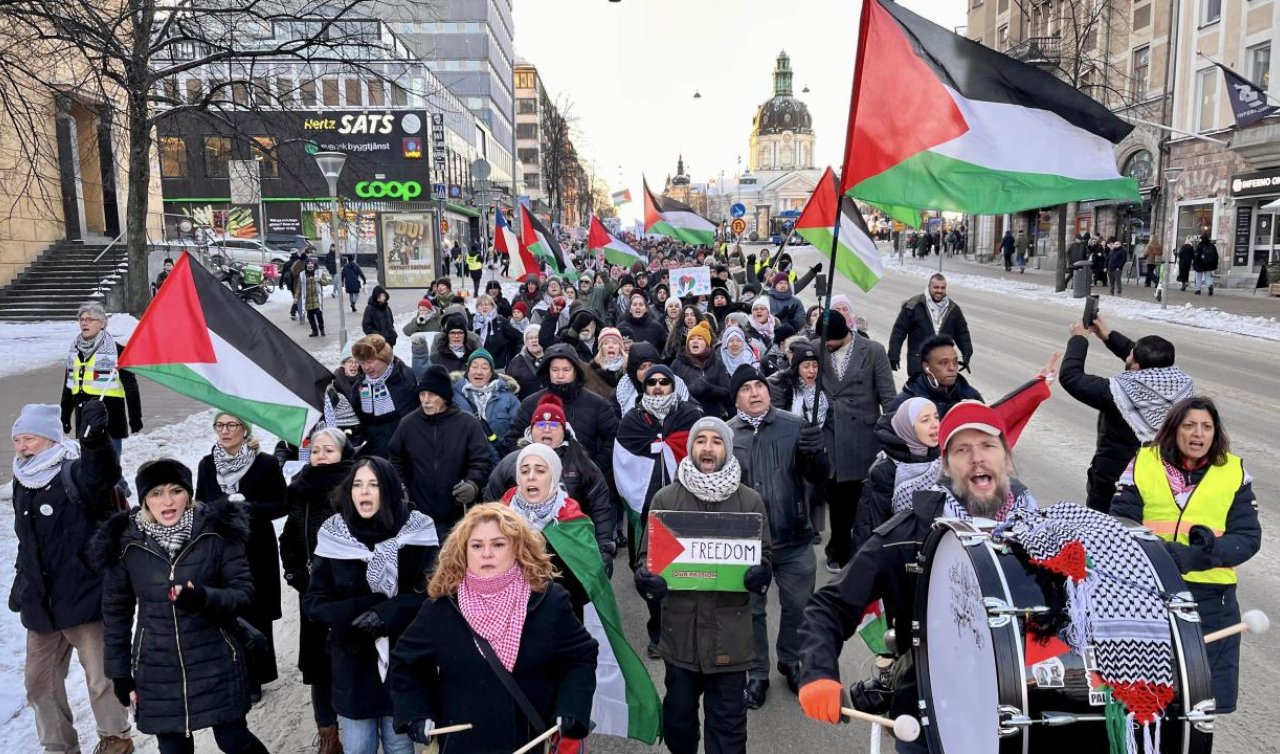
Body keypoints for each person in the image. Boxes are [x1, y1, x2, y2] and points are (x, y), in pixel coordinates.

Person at [797, 402, 1038, 754]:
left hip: (1026, 713)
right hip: (931, 719)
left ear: (1006, 457)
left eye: (988, 446)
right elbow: (830, 606)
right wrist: (818, 673)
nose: (977, 458)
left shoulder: (1045, 532)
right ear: (946, 466)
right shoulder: (910, 533)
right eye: (962, 449)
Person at [389, 504, 597, 753]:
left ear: (517, 549)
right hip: (462, 745)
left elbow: (580, 658)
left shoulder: (549, 602)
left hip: (527, 741)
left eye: (498, 544)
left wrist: (571, 706)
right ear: (463, 551)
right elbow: (405, 663)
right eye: (476, 546)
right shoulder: (442, 608)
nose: (486, 553)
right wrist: (417, 713)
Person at [95, 459, 268, 754]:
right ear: (145, 500)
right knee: (174, 749)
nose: (167, 501)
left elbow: (243, 593)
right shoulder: (126, 543)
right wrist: (119, 673)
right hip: (157, 667)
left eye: (175, 491)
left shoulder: (217, 532)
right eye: (156, 493)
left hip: (214, 657)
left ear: (188, 493)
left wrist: (202, 598)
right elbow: (115, 613)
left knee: (234, 741)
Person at [1111, 396, 1260, 714]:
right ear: (1174, 429)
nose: (1198, 434)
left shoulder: (1233, 472)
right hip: (1149, 593)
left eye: (1207, 427)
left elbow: (1247, 538)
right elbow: (1121, 522)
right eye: (1190, 425)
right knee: (1142, 697)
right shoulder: (1143, 462)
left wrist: (1203, 555)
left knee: (1198, 704)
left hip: (1211, 600)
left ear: (1215, 433)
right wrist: (1164, 556)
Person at [635, 418, 773, 754]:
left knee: (728, 728)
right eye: (701, 441)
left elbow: (766, 555)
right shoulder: (665, 498)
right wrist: (645, 577)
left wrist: (762, 572)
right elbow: (645, 557)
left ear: (727, 449)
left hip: (730, 638)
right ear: (691, 447)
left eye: (716, 441)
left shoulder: (750, 501)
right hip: (680, 634)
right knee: (679, 722)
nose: (707, 448)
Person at [12, 402, 134, 754]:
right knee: (38, 683)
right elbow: (27, 541)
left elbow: (101, 478)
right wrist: (22, 582)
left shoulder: (73, 471)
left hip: (84, 593)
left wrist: (95, 440)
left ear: (50, 439)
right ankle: (59, 746)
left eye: (29, 439)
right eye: (17, 439)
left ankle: (116, 739)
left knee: (100, 678)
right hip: (41, 600)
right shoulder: (23, 480)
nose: (21, 446)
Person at [303, 457, 439, 754]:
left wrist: (386, 613)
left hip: (403, 660)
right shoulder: (333, 534)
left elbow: (434, 593)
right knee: (359, 746)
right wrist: (358, 612)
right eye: (358, 484)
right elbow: (313, 602)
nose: (364, 492)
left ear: (389, 489)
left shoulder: (418, 530)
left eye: (374, 484)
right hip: (353, 662)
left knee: (399, 744)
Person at [728, 366, 827, 710]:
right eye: (746, 389)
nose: (755, 393)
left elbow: (819, 478)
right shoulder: (726, 435)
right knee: (752, 612)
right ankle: (757, 673)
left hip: (794, 537)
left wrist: (817, 453)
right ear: (736, 397)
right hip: (748, 545)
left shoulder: (795, 425)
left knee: (798, 606)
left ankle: (790, 660)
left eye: (759, 386)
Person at [1059, 314, 1193, 512]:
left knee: (1106, 535)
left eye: (1131, 356)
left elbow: (1071, 377)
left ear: (1136, 365)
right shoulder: (1182, 387)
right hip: (1162, 480)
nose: (1128, 355)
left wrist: (1078, 338)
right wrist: (1108, 336)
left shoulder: (1118, 394)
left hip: (1114, 484)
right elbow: (1145, 360)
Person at [613, 365, 704, 655]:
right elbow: (623, 462)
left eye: (665, 381)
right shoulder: (633, 421)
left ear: (673, 386)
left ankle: (690, 630)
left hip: (688, 509)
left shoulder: (691, 416)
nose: (658, 386)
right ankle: (658, 632)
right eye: (651, 382)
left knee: (690, 574)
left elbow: (706, 454)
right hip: (650, 511)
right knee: (654, 576)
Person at [195, 412, 288, 691]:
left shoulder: (266, 464)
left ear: (244, 430)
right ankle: (231, 673)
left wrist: (251, 508)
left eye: (231, 425)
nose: (224, 431)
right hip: (220, 548)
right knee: (225, 608)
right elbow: (200, 502)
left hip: (256, 546)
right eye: (219, 425)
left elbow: (281, 504)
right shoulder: (207, 464)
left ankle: (256, 677)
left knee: (255, 608)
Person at [279, 428, 354, 754]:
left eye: (329, 450)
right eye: (317, 450)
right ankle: (328, 734)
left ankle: (359, 725)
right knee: (318, 666)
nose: (321, 456)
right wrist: (294, 571)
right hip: (312, 591)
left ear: (343, 454)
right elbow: (289, 535)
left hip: (350, 591)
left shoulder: (355, 486)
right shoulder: (300, 488)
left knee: (351, 659)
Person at [485, 394, 615, 560]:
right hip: (521, 551)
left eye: (554, 424)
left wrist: (604, 549)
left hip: (571, 552)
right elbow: (490, 506)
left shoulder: (583, 465)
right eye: (540, 424)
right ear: (530, 430)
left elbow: (600, 509)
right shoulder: (511, 464)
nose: (547, 429)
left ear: (564, 430)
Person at [814, 312, 895, 572]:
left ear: (844, 335)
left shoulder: (872, 351)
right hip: (830, 434)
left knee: (858, 498)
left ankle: (856, 549)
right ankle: (838, 548)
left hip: (863, 436)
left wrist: (891, 438)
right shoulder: (816, 348)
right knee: (836, 497)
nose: (826, 346)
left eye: (831, 342)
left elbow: (888, 398)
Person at [387, 365, 493, 541]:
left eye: (432, 395)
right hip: (416, 514)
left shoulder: (467, 423)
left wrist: (473, 484)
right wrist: (401, 487)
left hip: (456, 513)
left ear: (444, 397)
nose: (426, 400)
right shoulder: (408, 424)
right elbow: (395, 460)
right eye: (422, 394)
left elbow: (482, 461)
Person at [504, 344, 619, 476]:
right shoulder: (530, 403)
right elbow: (512, 440)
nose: (560, 375)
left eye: (566, 370)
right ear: (548, 371)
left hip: (584, 481)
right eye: (555, 370)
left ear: (575, 372)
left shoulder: (598, 404)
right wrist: (531, 465)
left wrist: (592, 468)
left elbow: (612, 441)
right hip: (538, 478)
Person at [851, 398, 940, 553]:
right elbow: (869, 528)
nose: (935, 425)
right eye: (925, 420)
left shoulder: (945, 460)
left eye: (936, 417)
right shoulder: (885, 471)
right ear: (907, 427)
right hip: (898, 556)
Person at [61, 302, 143, 458]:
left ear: (102, 323)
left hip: (110, 419)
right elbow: (68, 386)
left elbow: (131, 387)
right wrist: (64, 417)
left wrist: (135, 417)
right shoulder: (75, 350)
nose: (84, 322)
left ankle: (119, 483)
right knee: (91, 470)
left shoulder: (117, 350)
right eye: (82, 319)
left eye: (90, 319)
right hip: (85, 419)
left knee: (110, 468)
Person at [887, 274, 973, 377]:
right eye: (936, 287)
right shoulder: (913, 306)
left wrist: (967, 352)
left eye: (942, 288)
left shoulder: (953, 309)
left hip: (943, 365)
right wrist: (893, 354)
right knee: (919, 392)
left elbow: (962, 333)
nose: (939, 291)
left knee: (943, 392)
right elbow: (899, 331)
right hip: (918, 364)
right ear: (929, 287)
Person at [348, 334, 419, 458]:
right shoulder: (361, 386)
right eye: (362, 363)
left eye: (370, 361)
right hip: (373, 452)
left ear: (384, 359)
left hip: (403, 451)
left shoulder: (405, 378)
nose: (366, 367)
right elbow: (356, 421)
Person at [885, 335, 982, 417]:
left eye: (955, 362)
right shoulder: (905, 404)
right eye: (943, 363)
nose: (952, 368)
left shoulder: (971, 396)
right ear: (926, 367)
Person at [452, 349, 521, 462]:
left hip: (499, 462)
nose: (479, 372)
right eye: (474, 367)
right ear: (467, 371)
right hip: (464, 463)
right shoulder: (453, 396)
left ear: (491, 373)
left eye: (484, 368)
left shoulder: (509, 399)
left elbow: (517, 432)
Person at [672, 322, 731, 420]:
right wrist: (690, 391)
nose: (695, 341)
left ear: (707, 343)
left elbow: (727, 392)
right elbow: (671, 391)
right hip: (686, 415)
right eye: (691, 339)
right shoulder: (677, 363)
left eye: (700, 339)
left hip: (714, 416)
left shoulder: (717, 362)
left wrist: (710, 389)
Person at [473, 294, 523, 368]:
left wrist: (511, 358)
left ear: (493, 306)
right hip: (478, 367)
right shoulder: (473, 323)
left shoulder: (501, 322)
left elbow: (518, 338)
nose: (484, 307)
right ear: (477, 307)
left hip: (497, 367)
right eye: (481, 305)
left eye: (487, 304)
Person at [507, 324, 544, 400]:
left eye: (537, 337)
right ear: (526, 342)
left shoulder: (551, 358)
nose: (534, 340)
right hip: (525, 407)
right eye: (530, 338)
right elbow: (510, 387)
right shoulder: (516, 361)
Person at [296, 257, 332, 337]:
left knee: (319, 314)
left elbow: (326, 283)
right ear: (306, 265)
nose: (310, 265)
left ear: (314, 264)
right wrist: (296, 297)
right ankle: (314, 331)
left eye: (311, 263)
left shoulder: (319, 272)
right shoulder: (302, 274)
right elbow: (299, 286)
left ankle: (322, 329)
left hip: (317, 298)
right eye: (308, 263)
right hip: (308, 299)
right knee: (310, 316)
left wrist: (319, 280)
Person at [1192, 231, 1219, 295]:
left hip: (1200, 264)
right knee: (1208, 277)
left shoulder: (1200, 245)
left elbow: (1196, 255)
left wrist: (1194, 263)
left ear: (1201, 239)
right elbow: (1216, 256)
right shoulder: (1212, 245)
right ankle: (1210, 285)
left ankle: (1198, 290)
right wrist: (1215, 264)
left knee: (1198, 277)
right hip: (1209, 264)